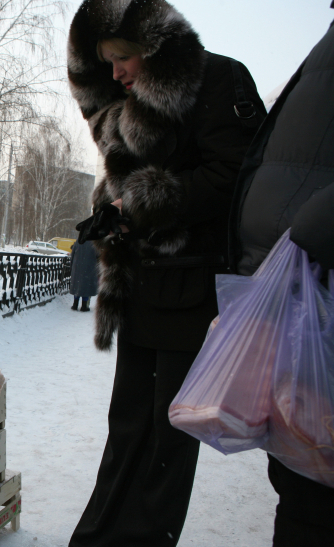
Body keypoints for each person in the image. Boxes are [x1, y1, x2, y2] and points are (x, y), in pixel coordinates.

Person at [66, 1, 266, 545]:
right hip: (141, 287)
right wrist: (115, 208)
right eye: (107, 62)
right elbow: (137, 176)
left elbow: (241, 175)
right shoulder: (129, 103)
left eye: (124, 57)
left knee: (166, 437)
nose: (116, 73)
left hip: (193, 289)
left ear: (155, 48)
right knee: (128, 428)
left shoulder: (220, 77)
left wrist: (150, 199)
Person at [229, 10, 334, 546]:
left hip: (317, 295)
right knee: (300, 485)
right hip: (300, 307)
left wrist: (315, 222)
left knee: (314, 496)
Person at [68, 240, 97, 312]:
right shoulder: (94, 243)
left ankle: (75, 304)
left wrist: (72, 267)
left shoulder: (78, 242)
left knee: (77, 286)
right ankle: (84, 306)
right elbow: (98, 257)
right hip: (89, 268)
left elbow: (72, 255)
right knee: (86, 287)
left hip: (77, 268)